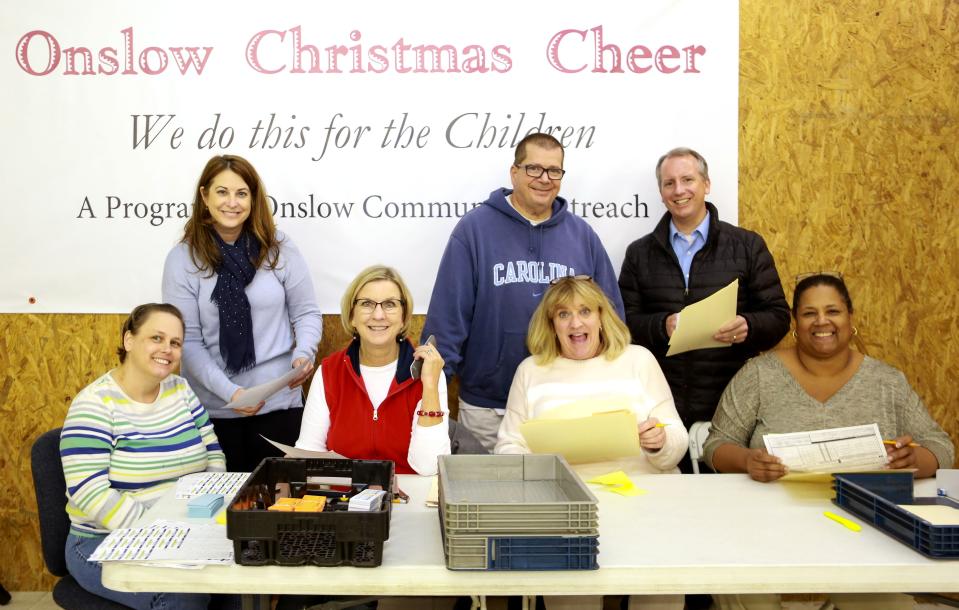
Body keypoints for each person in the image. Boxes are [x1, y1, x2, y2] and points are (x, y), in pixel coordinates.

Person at [704, 273, 955, 610]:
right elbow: (716, 445)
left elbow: (941, 447)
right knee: (739, 587)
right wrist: (748, 460)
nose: (821, 321)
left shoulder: (886, 381)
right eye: (809, 313)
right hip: (766, 525)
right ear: (796, 322)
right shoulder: (759, 375)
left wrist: (914, 460)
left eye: (833, 311)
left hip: (865, 527)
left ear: (851, 318)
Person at [423, 132, 624, 451]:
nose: (544, 179)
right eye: (533, 168)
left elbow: (612, 320)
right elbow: (448, 320)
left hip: (564, 404)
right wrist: (428, 395)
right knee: (489, 499)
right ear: (514, 171)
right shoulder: (474, 231)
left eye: (554, 171)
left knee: (564, 498)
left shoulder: (582, 236)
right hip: (489, 408)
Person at [495, 276, 686, 610]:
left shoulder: (638, 360)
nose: (576, 322)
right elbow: (509, 447)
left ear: (601, 316)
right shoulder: (531, 370)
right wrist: (538, 476)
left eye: (585, 311)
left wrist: (660, 440)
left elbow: (675, 435)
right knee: (571, 598)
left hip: (645, 500)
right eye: (563, 314)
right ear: (551, 324)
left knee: (661, 593)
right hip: (567, 510)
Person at [618, 146, 790, 471]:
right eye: (669, 183)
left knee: (727, 506)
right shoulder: (640, 254)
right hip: (661, 403)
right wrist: (662, 325)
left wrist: (748, 326)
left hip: (730, 402)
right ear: (661, 191)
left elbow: (779, 317)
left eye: (688, 179)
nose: (679, 190)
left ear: (706, 184)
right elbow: (622, 325)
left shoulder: (747, 246)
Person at [162, 155, 322, 472]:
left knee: (279, 511)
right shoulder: (182, 259)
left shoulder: (279, 248)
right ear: (205, 196)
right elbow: (188, 341)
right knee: (219, 514)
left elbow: (305, 313)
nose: (232, 202)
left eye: (242, 193)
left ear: (253, 198)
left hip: (280, 406)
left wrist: (304, 353)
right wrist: (233, 394)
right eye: (222, 192)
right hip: (214, 413)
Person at [60, 303, 225, 610]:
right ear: (129, 341)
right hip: (102, 542)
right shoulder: (94, 405)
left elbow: (213, 452)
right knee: (181, 593)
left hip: (183, 533)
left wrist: (206, 508)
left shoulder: (181, 390)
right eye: (157, 338)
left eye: (175, 343)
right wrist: (164, 534)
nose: (167, 349)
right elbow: (89, 493)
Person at [296, 265, 450, 475]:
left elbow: (429, 467)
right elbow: (307, 455)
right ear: (352, 316)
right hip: (345, 501)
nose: (378, 315)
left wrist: (430, 386)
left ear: (404, 316)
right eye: (367, 304)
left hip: (410, 500)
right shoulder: (329, 372)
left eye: (389, 304)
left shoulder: (429, 372)